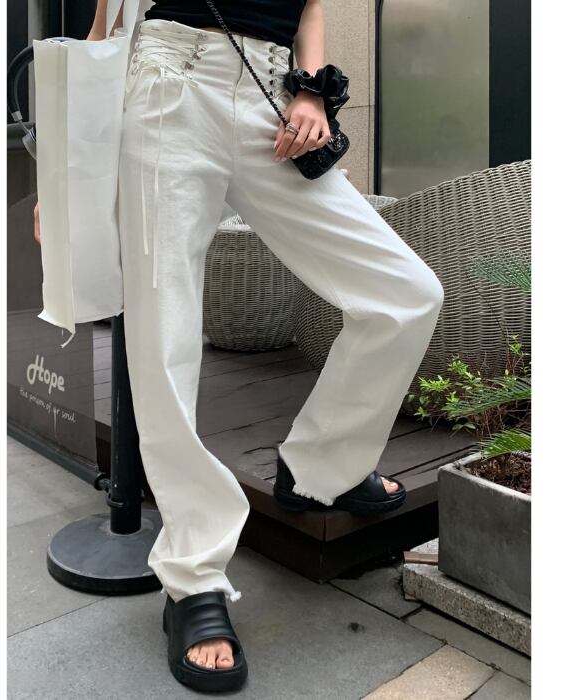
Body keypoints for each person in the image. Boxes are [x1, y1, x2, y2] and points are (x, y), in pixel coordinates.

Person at [34, 0, 444, 692]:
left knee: (404, 293)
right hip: (168, 87)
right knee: (164, 342)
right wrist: (63, 174)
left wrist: (312, 91)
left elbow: (310, 6)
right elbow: (103, 30)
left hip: (271, 100)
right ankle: (193, 575)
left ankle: (322, 466)